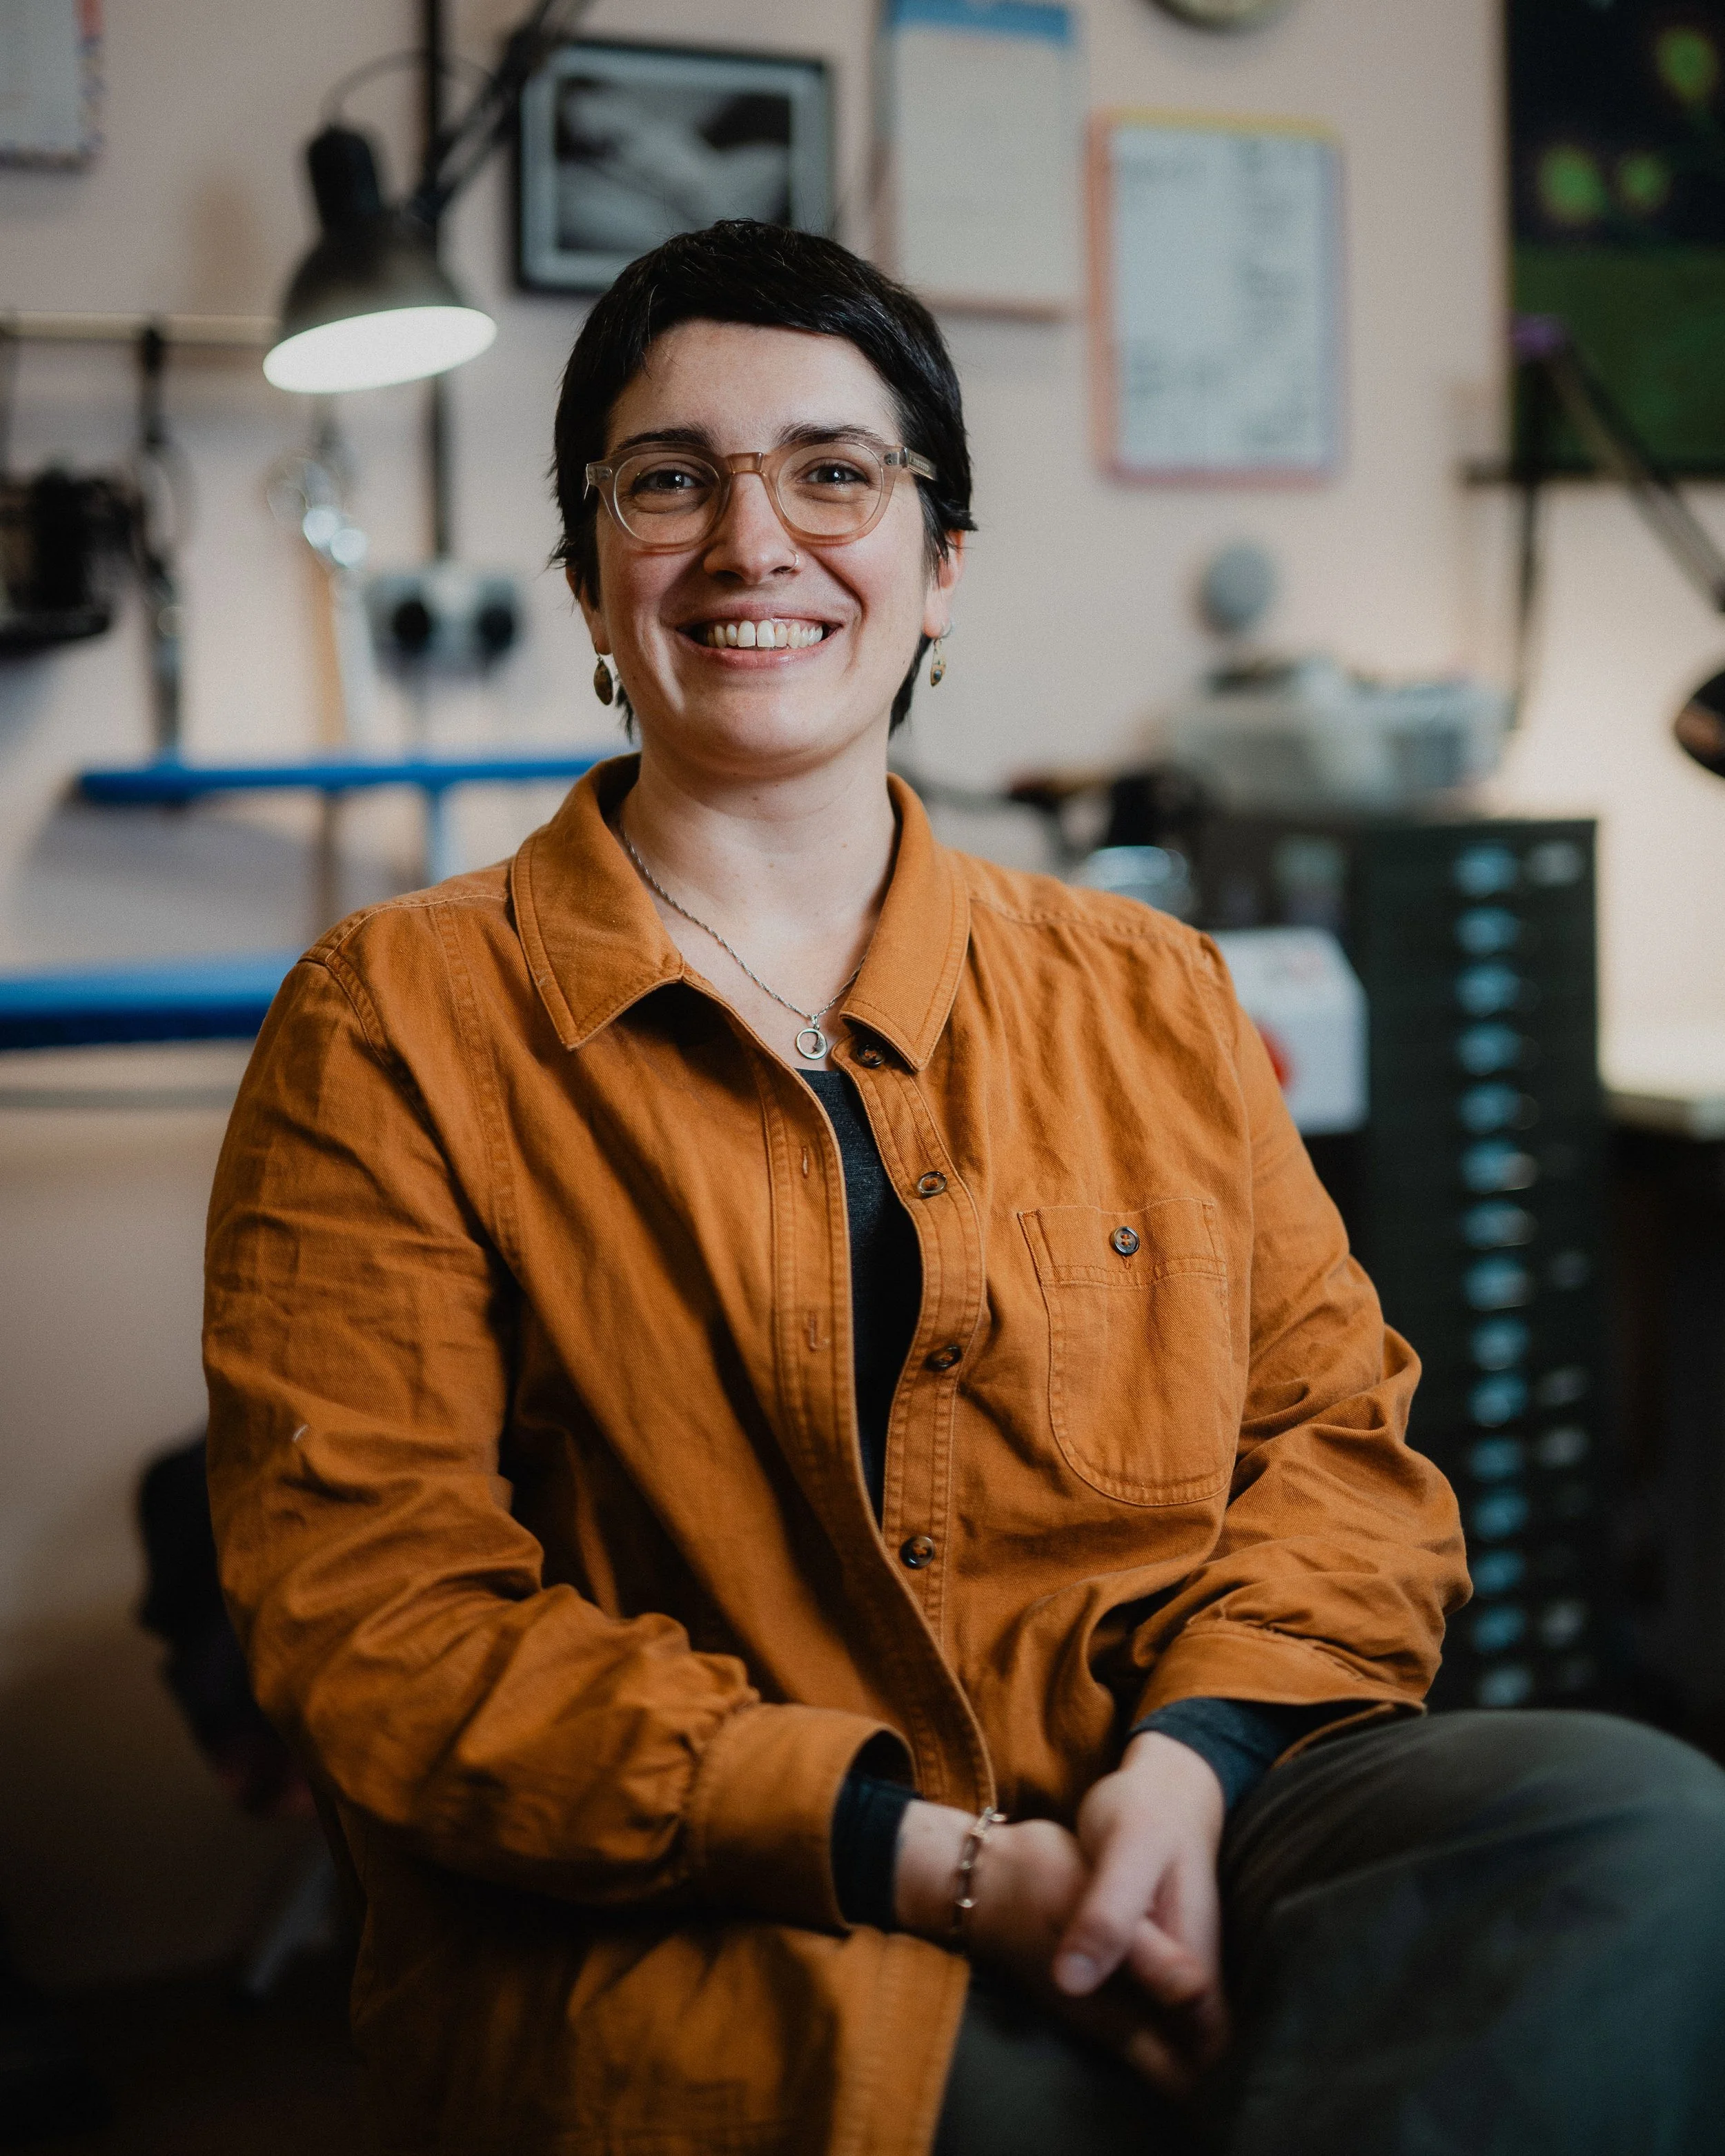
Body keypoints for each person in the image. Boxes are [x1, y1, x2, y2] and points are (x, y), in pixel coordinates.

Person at [204, 220, 1725, 2156]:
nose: (754, 541)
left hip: (1184, 1811)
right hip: (722, 1900)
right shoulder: (394, 1019)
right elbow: (380, 1620)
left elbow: (1339, 1450)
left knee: (1633, 1826)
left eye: (834, 473)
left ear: (938, 573)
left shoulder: (1147, 988)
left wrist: (1178, 1785)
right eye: (670, 481)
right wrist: (941, 1863)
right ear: (591, 584)